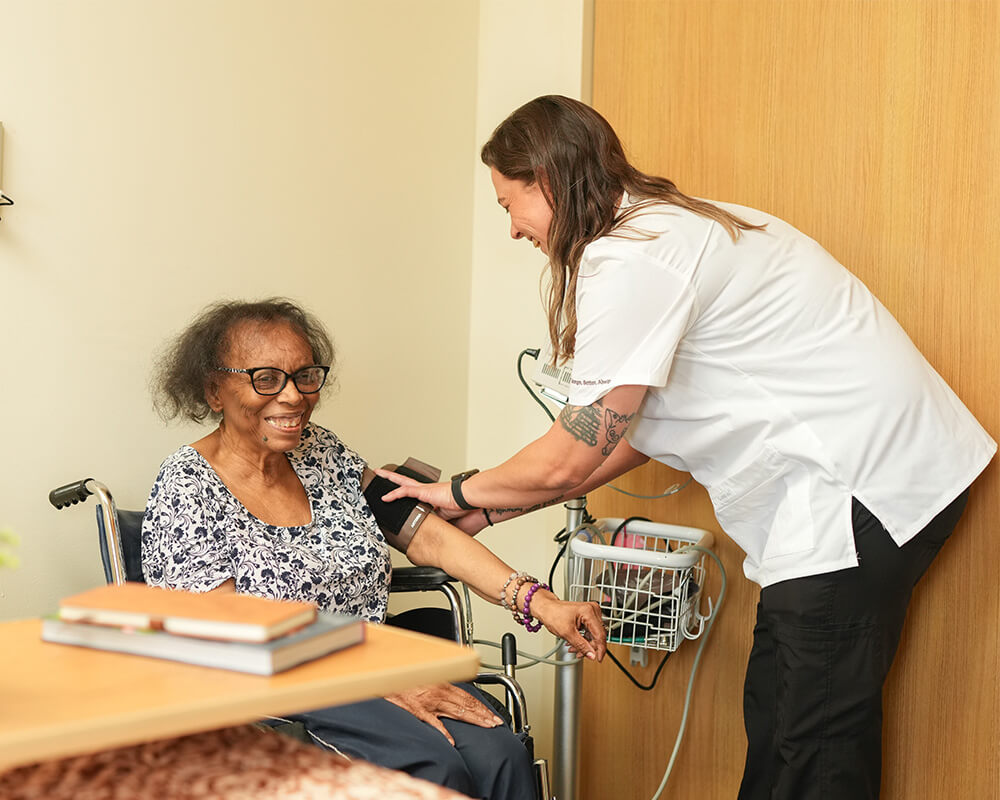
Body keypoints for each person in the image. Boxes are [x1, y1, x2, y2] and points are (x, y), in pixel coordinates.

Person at [379, 95, 997, 800]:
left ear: (546, 179)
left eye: (508, 204)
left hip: (862, 488)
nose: (514, 229)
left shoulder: (633, 258)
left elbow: (574, 451)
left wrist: (457, 493)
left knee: (814, 740)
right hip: (869, 479)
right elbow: (627, 434)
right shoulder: (665, 231)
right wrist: (492, 512)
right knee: (778, 710)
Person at [140, 297, 607, 800]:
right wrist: (378, 681)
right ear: (215, 390)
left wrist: (540, 601)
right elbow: (229, 631)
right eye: (267, 379)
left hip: (374, 665)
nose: (294, 396)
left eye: (305, 375)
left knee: (502, 753)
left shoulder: (322, 451)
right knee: (430, 771)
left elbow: (427, 534)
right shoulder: (185, 486)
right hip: (279, 687)